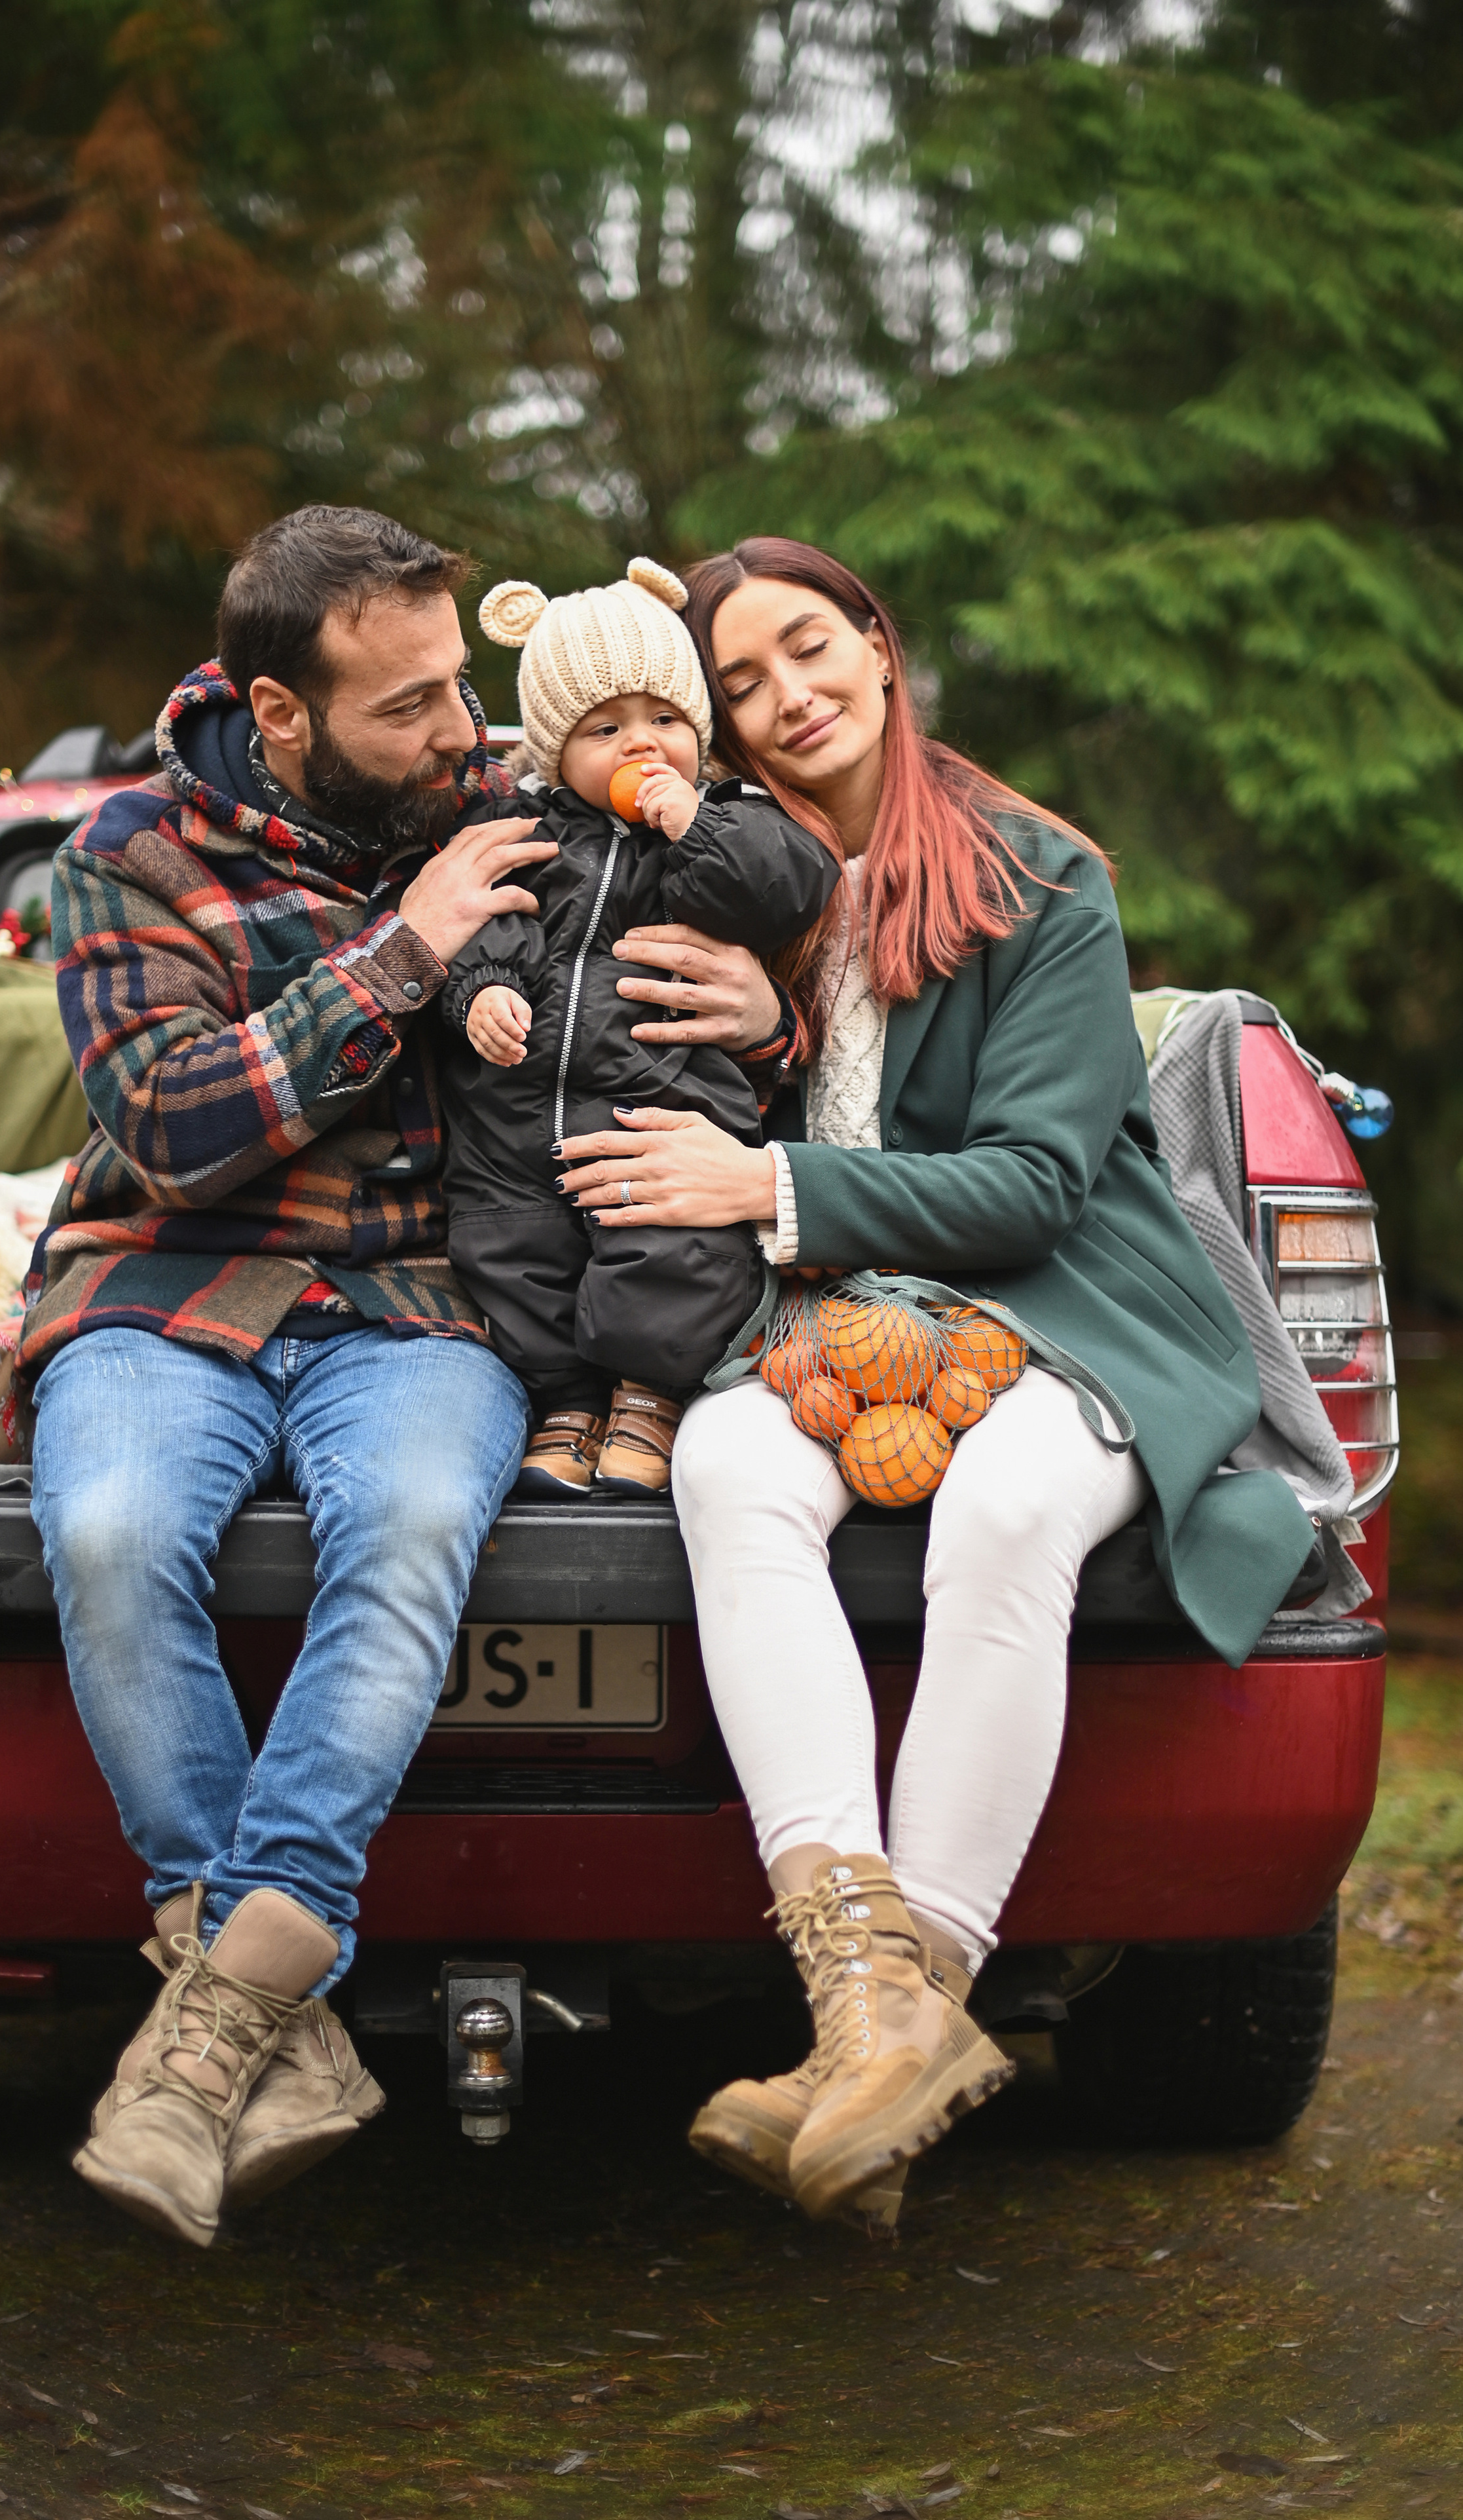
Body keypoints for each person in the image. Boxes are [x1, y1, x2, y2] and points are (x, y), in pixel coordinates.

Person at [550, 535, 1316, 2233]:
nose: (785, 697)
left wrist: (762, 1185)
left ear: (881, 647)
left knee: (1011, 1506)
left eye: (809, 647)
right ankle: (863, 2011)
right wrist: (762, 1033)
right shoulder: (729, 885)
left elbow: (1039, 1185)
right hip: (845, 1324)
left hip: (1075, 1305)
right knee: (727, 1472)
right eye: (739, 682)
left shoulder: (1037, 878)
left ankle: (923, 2003)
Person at [20, 505, 559, 2249]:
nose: (457, 729)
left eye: (458, 684)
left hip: (422, 1301)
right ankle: (286, 2027)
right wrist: (403, 952)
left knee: (405, 1523)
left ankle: (219, 2016)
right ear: (280, 711)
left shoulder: (506, 804)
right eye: (408, 706)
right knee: (107, 1530)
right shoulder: (126, 852)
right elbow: (171, 1131)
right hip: (167, 1277)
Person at [441, 559, 840, 1499]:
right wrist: (484, 989)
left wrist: (692, 823)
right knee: (511, 1250)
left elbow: (785, 889)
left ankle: (648, 1398)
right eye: (605, 728)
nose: (643, 746)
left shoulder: (730, 824)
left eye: (666, 721)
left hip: (659, 1107)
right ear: (551, 747)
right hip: (519, 1123)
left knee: (672, 1251)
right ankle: (569, 1406)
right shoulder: (522, 829)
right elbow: (480, 919)